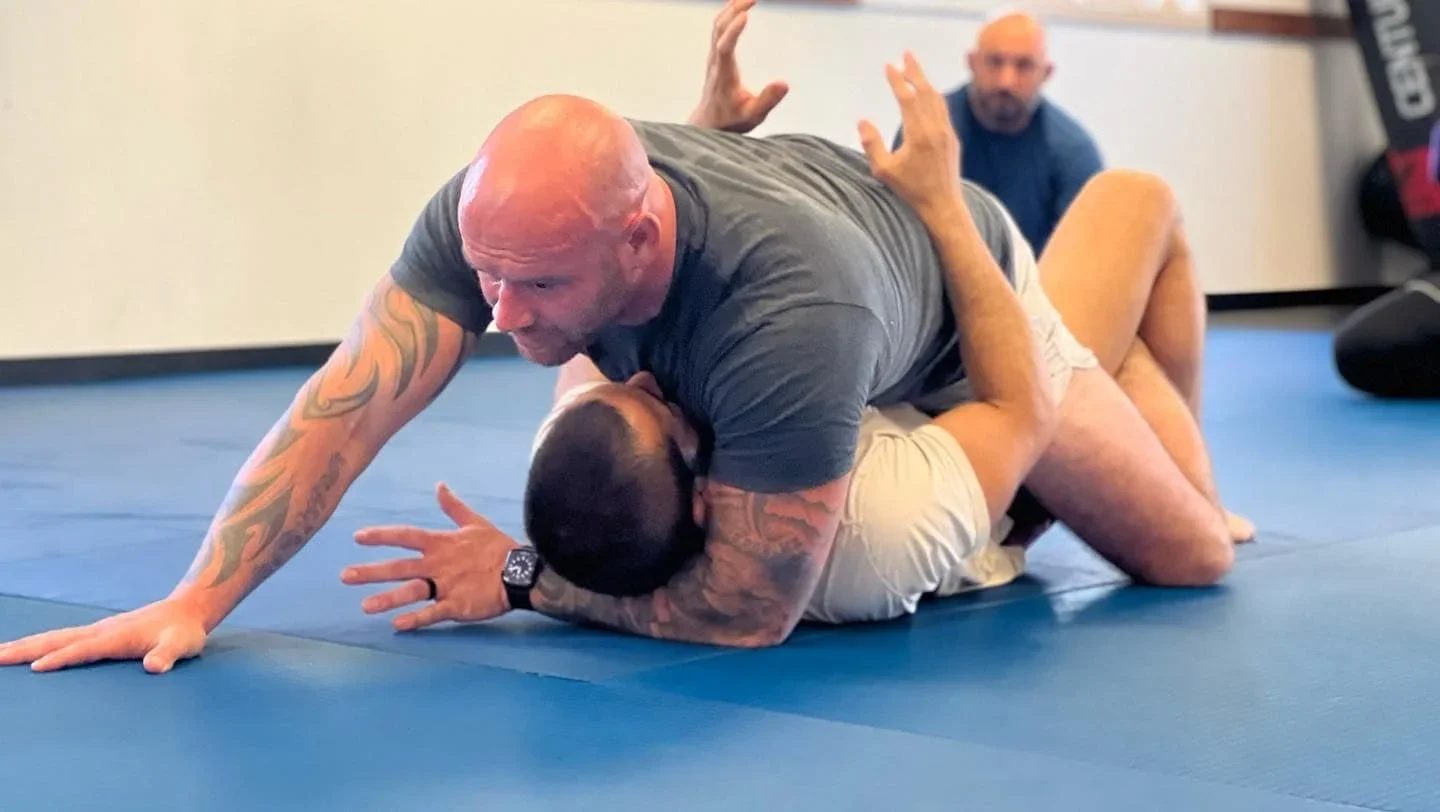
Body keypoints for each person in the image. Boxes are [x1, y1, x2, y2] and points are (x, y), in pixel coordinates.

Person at [0, 5, 1235, 672]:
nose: (499, 315)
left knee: (1186, 552)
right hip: (816, 261)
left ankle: (1111, 339)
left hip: (964, 292)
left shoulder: (789, 317)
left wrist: (528, 578)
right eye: (490, 277)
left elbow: (751, 610)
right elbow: (348, 398)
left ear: (639, 244)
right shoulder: (507, 220)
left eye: (537, 284)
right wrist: (195, 597)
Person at [897, 10, 1102, 254]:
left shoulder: (1073, 153)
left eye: (1024, 65)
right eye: (994, 61)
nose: (1006, 81)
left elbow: (1083, 258)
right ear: (972, 63)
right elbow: (898, 235)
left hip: (1032, 288)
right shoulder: (926, 131)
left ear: (1046, 73)